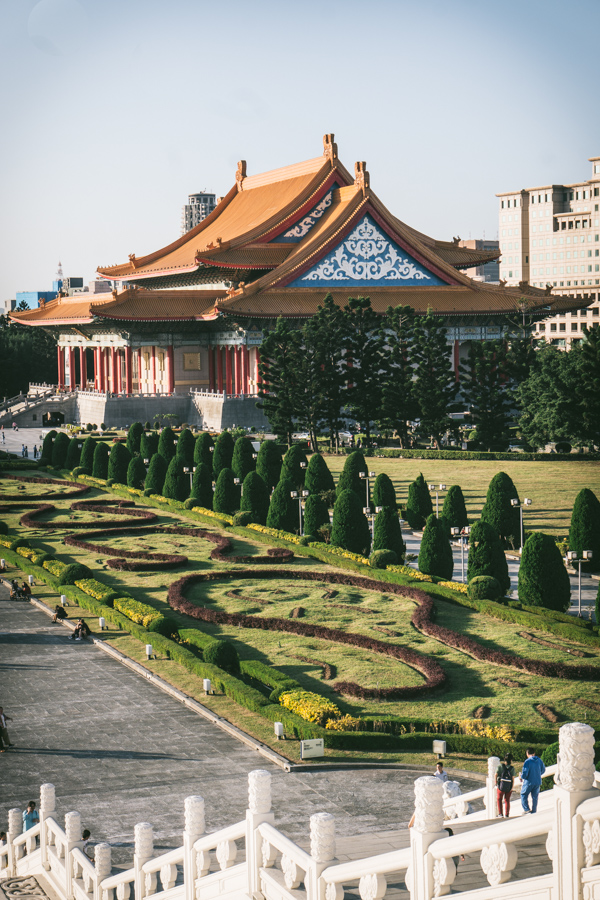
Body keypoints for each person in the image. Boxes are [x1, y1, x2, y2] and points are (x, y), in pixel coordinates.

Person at [521, 747, 545, 814]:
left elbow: (525, 773)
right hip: (537, 781)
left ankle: (526, 809)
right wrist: (537, 774)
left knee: (523, 794)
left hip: (529, 782)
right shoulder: (539, 760)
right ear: (534, 753)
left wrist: (521, 776)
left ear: (527, 753)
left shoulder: (527, 761)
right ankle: (534, 810)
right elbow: (543, 770)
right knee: (535, 797)